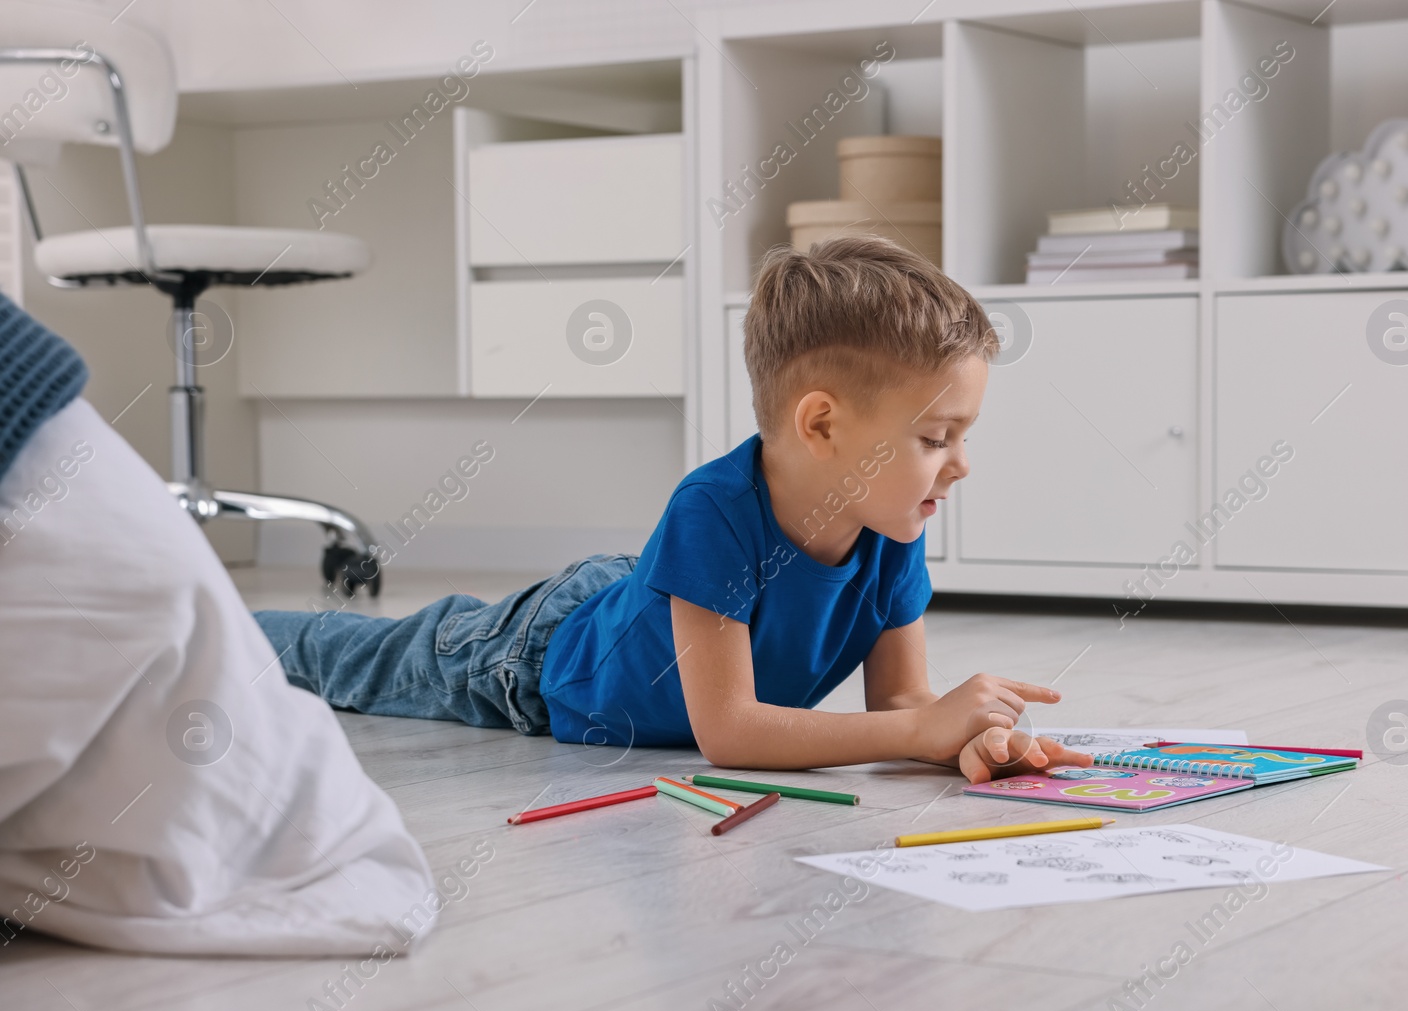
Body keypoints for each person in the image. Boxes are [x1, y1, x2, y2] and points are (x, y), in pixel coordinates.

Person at [256, 235, 1088, 783]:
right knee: (358, 661)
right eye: (938, 436)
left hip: (649, 603)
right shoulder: (713, 508)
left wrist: (965, 738)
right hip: (539, 657)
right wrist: (919, 733)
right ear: (822, 424)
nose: (961, 463)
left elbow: (903, 708)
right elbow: (729, 733)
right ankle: (222, 620)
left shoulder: (892, 523)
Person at [0, 291, 437, 956]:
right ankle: (262, 632)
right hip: (534, 645)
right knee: (353, 651)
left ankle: (258, 634)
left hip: (544, 647)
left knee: (338, 653)